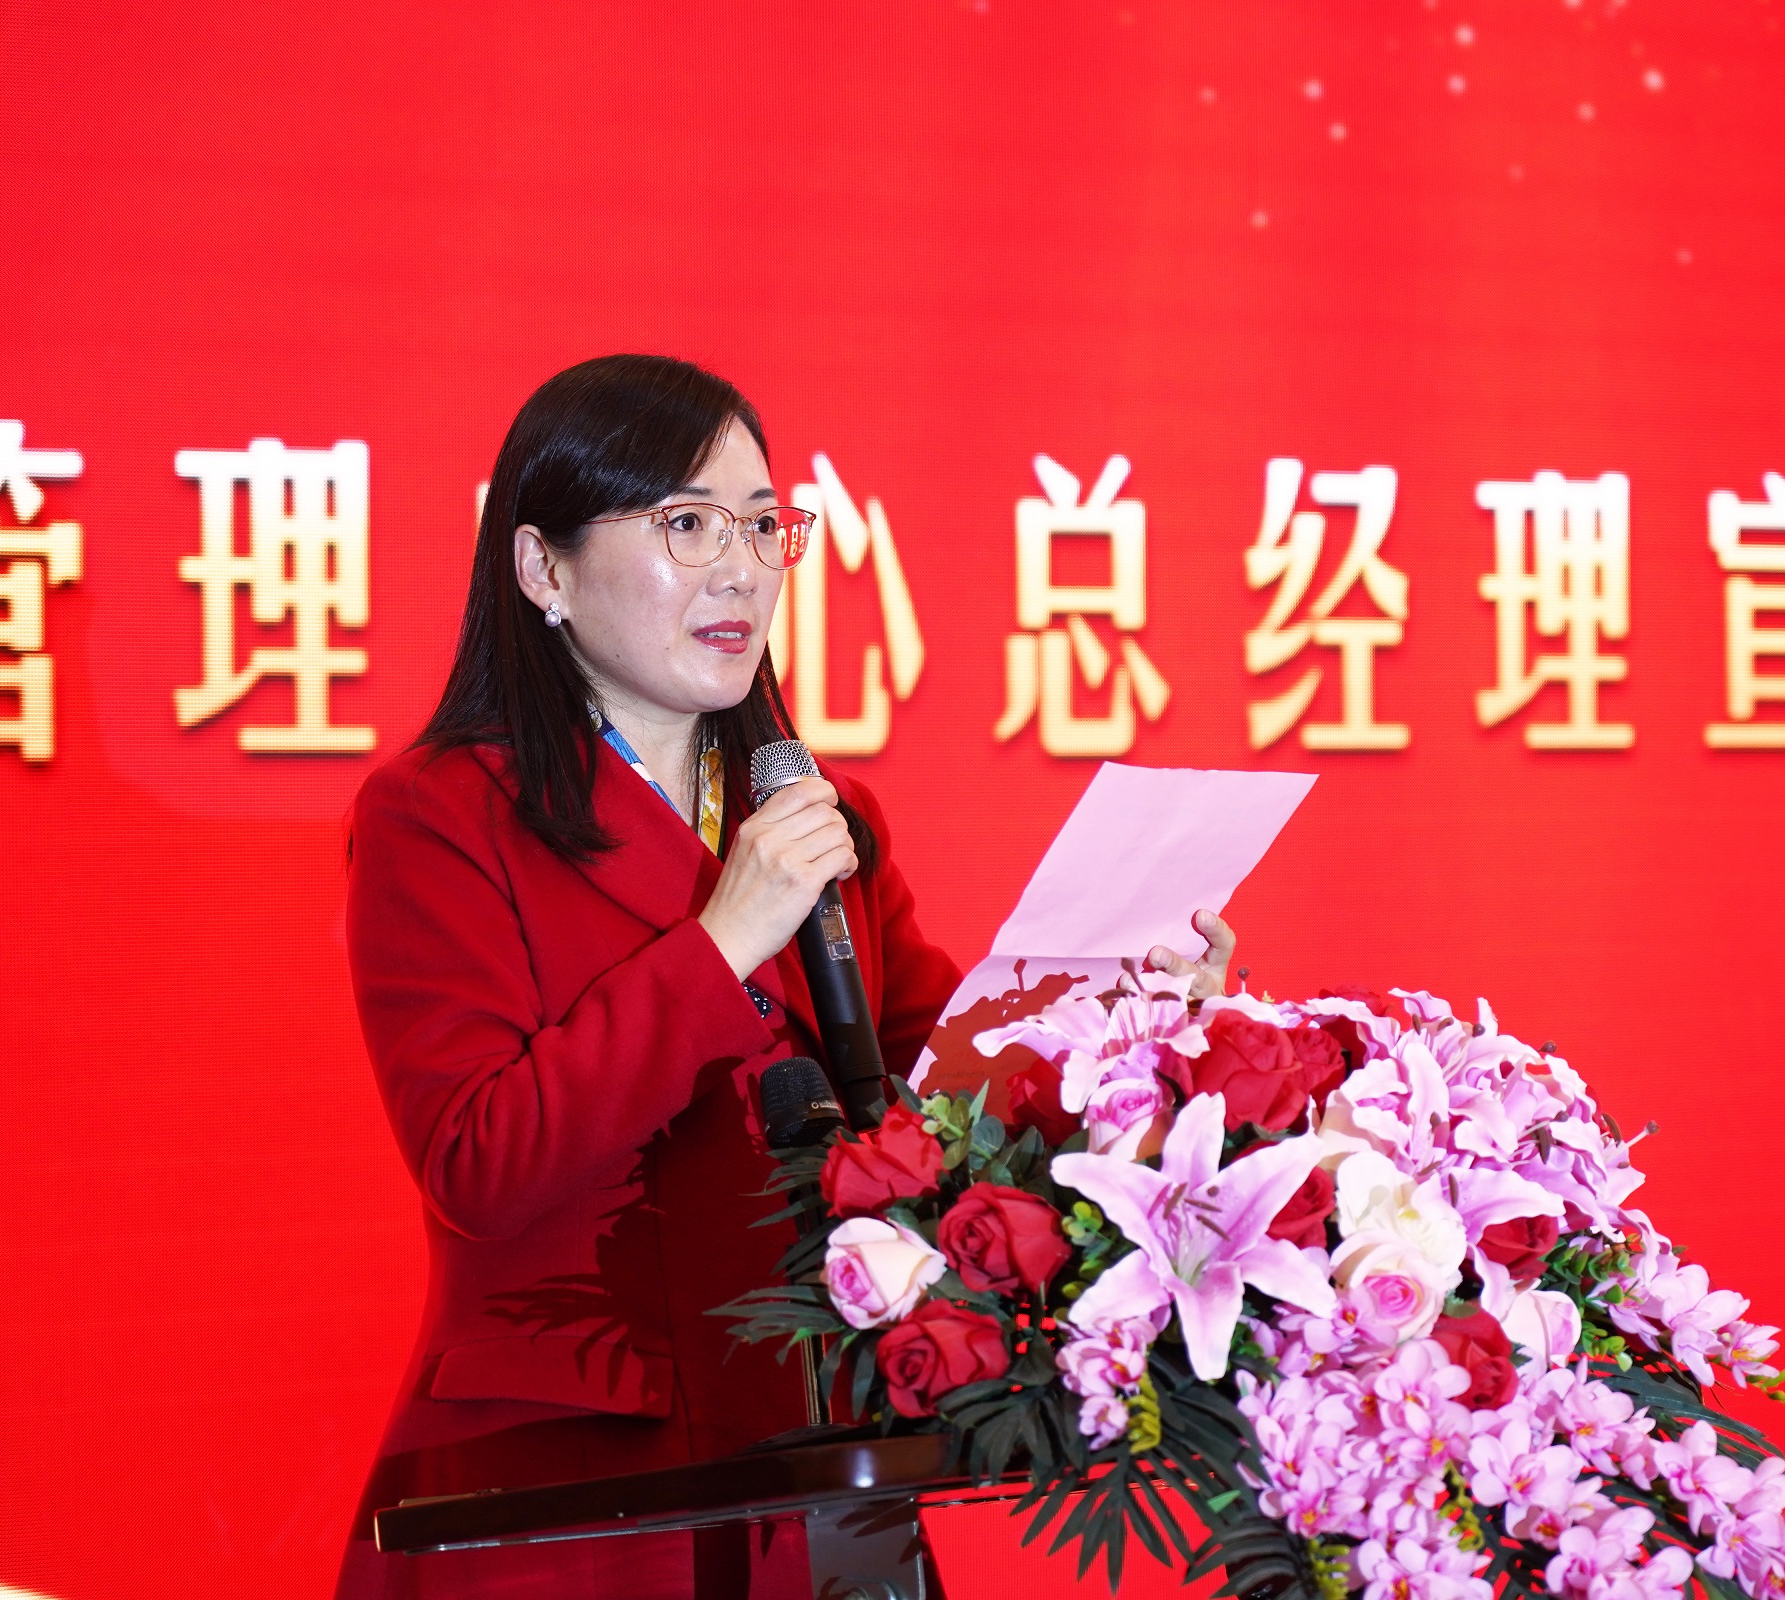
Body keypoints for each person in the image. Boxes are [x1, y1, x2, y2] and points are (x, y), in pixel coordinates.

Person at [334, 354, 1238, 1599]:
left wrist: (1130, 1014)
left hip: (822, 1477)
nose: (743, 568)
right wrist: (720, 941)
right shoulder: (442, 814)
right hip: (564, 1492)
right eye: (687, 525)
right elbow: (478, 1162)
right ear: (543, 569)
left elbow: (949, 1100)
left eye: (764, 525)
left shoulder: (819, 812)